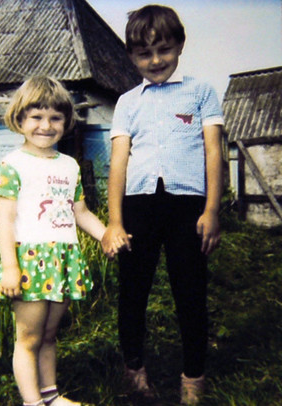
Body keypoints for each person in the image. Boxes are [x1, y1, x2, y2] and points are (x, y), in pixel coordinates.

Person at [102, 5, 224, 405]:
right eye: (144, 54)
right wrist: (115, 222)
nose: (155, 61)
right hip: (138, 207)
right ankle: (134, 368)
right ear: (131, 56)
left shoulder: (201, 92)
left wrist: (211, 210)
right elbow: (118, 162)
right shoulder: (127, 102)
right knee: (132, 291)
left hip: (188, 207)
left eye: (164, 50)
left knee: (190, 291)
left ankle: (193, 375)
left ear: (180, 45)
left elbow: (213, 152)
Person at [0, 76, 113, 406]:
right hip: (29, 262)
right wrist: (9, 267)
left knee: (48, 335)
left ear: (66, 121)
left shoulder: (70, 166)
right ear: (19, 119)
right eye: (36, 116)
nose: (46, 126)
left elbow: (81, 212)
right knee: (28, 338)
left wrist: (107, 235)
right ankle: (32, 402)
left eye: (55, 118)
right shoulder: (12, 164)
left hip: (63, 260)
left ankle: (51, 396)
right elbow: (5, 221)